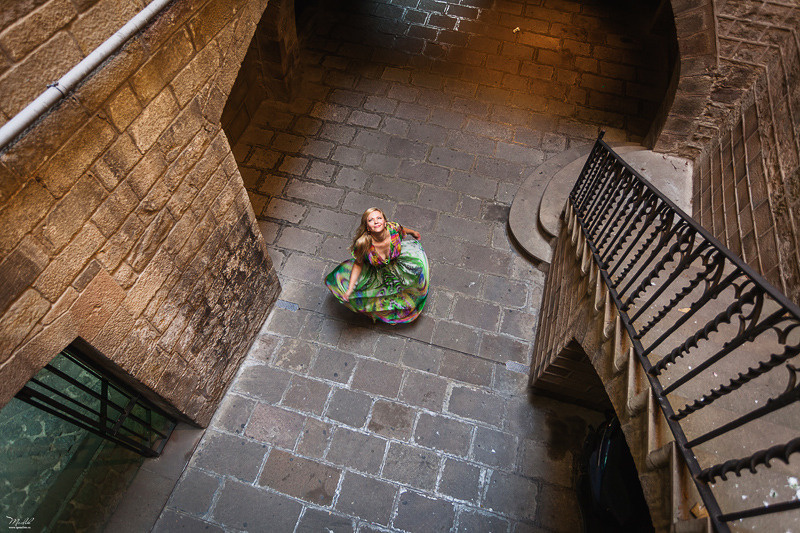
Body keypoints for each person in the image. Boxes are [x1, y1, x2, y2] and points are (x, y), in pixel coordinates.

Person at [325, 207, 429, 324]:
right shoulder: (363, 243)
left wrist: (413, 233)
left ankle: (405, 303)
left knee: (411, 282)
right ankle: (389, 311)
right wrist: (350, 289)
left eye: (379, 218)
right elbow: (358, 264)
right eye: (371, 220)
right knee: (380, 296)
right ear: (367, 227)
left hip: (398, 265)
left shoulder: (393, 229)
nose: (376, 221)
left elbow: (402, 229)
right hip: (378, 273)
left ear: (385, 222)